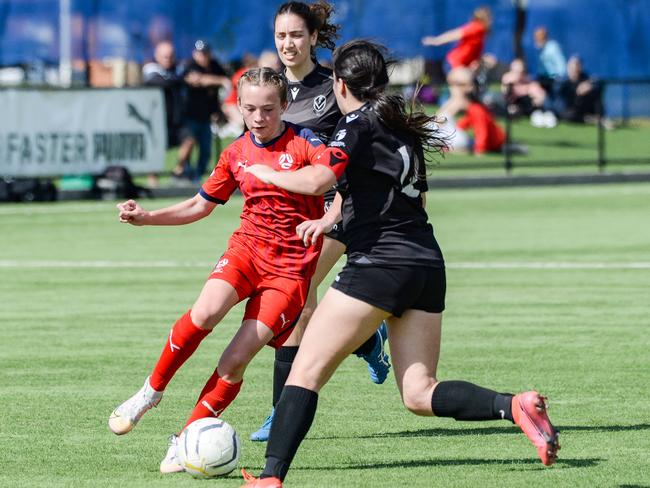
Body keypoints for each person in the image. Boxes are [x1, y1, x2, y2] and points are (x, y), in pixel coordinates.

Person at [241, 40, 560, 487]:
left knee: (305, 369)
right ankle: (514, 405)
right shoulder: (401, 127)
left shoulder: (355, 124)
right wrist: (336, 217)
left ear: (340, 83)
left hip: (379, 265)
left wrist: (267, 173)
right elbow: (399, 194)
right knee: (419, 392)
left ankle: (270, 478)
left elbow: (318, 179)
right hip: (426, 264)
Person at [107, 67, 331, 474]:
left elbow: (334, 186)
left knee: (233, 360)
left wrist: (325, 220)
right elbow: (200, 205)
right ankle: (150, 392)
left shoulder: (307, 143)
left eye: (267, 108)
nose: (259, 117)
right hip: (246, 251)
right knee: (205, 313)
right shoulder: (235, 152)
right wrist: (148, 217)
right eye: (250, 108)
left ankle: (185, 439)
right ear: (239, 107)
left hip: (289, 272)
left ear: (284, 105)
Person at [249, 0, 391, 444]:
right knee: (301, 305)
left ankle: (279, 414)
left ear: (313, 37)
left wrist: (337, 203)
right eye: (280, 36)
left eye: (295, 35)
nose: (287, 43)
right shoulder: (268, 87)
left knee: (296, 307)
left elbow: (357, 147)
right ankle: (367, 340)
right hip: (289, 216)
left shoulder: (334, 86)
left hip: (335, 211)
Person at [173, 39, 231, 182]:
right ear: (194, 53)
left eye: (205, 53)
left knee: (206, 149)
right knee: (188, 143)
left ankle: (197, 175)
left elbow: (225, 77)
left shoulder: (214, 65)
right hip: (190, 115)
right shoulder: (189, 65)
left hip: (207, 115)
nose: (203, 56)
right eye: (200, 53)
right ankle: (182, 172)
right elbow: (196, 79)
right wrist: (220, 81)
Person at [141, 40, 193, 187]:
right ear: (157, 56)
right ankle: (153, 183)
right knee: (155, 151)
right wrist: (182, 79)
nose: (168, 60)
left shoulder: (178, 69)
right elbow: (159, 82)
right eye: (165, 56)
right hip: (157, 121)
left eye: (171, 56)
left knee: (189, 140)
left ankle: (178, 170)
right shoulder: (151, 69)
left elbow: (190, 76)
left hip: (176, 121)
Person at [439, 67, 506, 154]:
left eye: (457, 84)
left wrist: (480, 149)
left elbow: (482, 132)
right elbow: (464, 123)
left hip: (493, 144)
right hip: (492, 143)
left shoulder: (476, 109)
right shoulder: (474, 108)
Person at [421, 6, 492, 71]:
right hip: (454, 64)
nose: (490, 22)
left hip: (461, 65)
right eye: (489, 19)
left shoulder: (481, 32)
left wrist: (481, 59)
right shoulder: (476, 27)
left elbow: (472, 51)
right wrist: (437, 40)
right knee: (464, 83)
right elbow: (455, 34)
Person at [557, 55, 603, 124]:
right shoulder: (563, 81)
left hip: (584, 108)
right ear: (568, 67)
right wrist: (576, 92)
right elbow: (560, 98)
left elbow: (597, 82)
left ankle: (597, 117)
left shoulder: (585, 77)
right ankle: (589, 119)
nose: (574, 69)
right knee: (568, 114)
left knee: (595, 93)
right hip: (569, 110)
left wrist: (589, 85)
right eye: (572, 67)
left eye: (577, 66)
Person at [533, 27, 566, 99]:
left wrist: (556, 78)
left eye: (540, 37)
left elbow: (561, 66)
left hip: (553, 80)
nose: (536, 39)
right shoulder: (540, 50)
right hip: (544, 79)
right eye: (536, 37)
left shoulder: (552, 47)